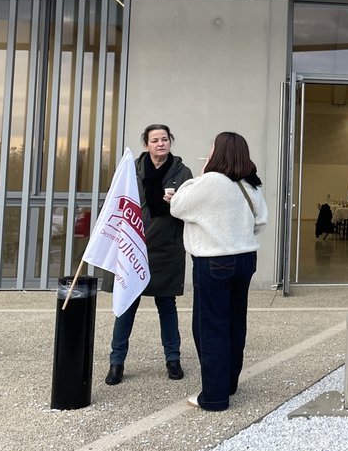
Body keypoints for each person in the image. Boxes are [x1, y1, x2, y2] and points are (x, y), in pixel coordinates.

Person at [170, 131, 268, 412]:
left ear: (218, 152)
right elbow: (260, 221)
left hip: (213, 261)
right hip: (245, 258)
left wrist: (197, 175)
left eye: (212, 147)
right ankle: (228, 383)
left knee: (209, 327)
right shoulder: (251, 184)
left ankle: (213, 396)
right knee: (235, 323)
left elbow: (177, 206)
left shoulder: (210, 181)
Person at [105, 124, 192, 386]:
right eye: (155, 140)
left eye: (164, 139)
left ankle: (173, 360)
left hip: (166, 248)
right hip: (135, 244)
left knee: (166, 305)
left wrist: (176, 203)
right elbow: (118, 203)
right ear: (146, 144)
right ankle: (116, 362)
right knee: (126, 305)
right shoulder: (131, 169)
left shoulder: (182, 172)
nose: (160, 144)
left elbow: (191, 207)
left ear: (170, 142)